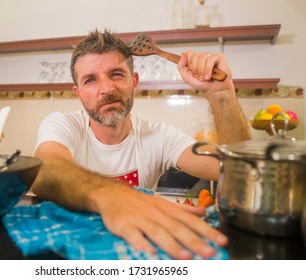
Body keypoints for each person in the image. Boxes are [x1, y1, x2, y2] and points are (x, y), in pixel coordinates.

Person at [32, 29, 251, 260]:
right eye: (90, 80)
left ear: (134, 82)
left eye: (116, 74)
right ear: (78, 93)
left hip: (138, 254)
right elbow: (45, 170)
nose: (107, 89)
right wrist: (114, 197)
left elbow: (240, 171)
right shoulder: (62, 124)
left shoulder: (159, 135)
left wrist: (222, 96)